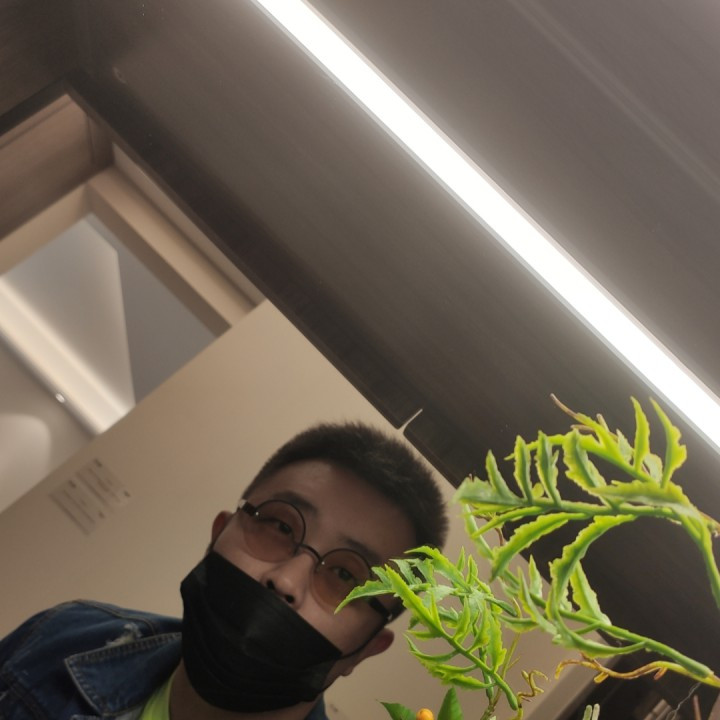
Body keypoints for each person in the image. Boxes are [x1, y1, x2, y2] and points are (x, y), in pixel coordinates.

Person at [0, 422, 448, 720]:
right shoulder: (63, 638)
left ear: (365, 650)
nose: (285, 580)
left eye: (346, 577)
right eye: (280, 526)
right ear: (218, 534)